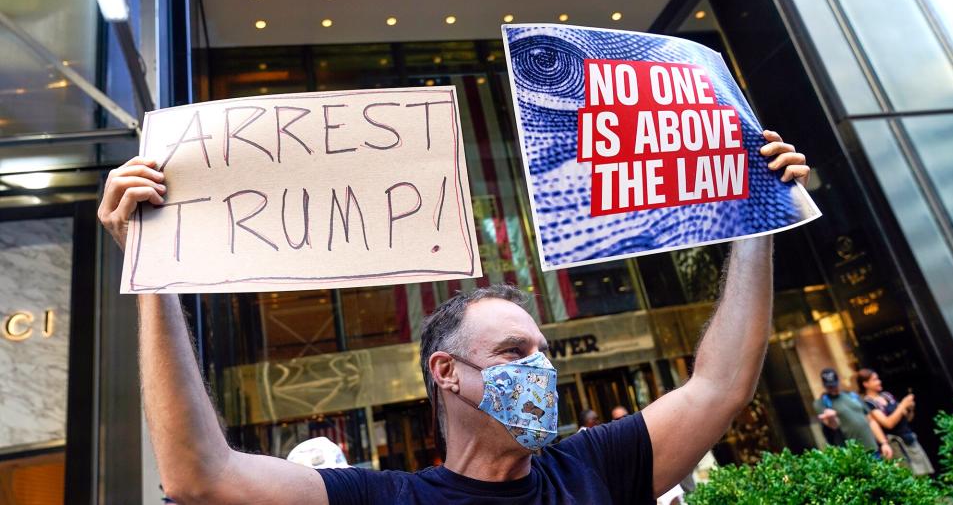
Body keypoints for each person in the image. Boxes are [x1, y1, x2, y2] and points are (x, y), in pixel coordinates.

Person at [97, 130, 809, 504]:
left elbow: (720, 386)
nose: (541, 369)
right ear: (448, 373)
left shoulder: (594, 470)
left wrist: (759, 220)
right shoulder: (385, 499)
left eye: (544, 351)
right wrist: (152, 274)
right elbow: (201, 479)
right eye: (513, 351)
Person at [857, 368, 934, 475]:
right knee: (909, 477)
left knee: (925, 474)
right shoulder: (868, 403)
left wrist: (909, 408)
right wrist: (902, 405)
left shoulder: (887, 395)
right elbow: (888, 423)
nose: (879, 381)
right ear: (865, 384)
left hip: (909, 438)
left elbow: (907, 418)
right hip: (896, 445)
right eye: (875, 380)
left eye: (878, 379)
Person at [814, 367, 893, 460]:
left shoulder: (852, 395)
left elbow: (870, 420)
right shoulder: (822, 402)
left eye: (834, 385)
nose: (832, 389)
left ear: (838, 381)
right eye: (829, 386)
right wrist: (831, 418)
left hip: (874, 449)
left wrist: (884, 443)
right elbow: (833, 426)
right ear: (824, 385)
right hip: (854, 456)